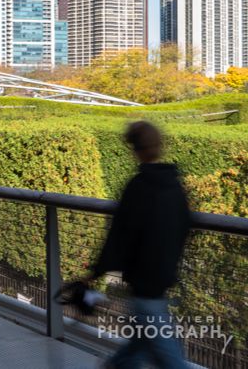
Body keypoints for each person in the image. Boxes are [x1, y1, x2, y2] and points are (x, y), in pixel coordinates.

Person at [86, 121, 192, 368]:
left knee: (162, 352)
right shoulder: (176, 186)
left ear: (136, 150)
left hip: (143, 282)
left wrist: (96, 272)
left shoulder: (138, 187)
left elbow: (120, 235)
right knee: (144, 344)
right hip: (163, 277)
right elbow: (185, 227)